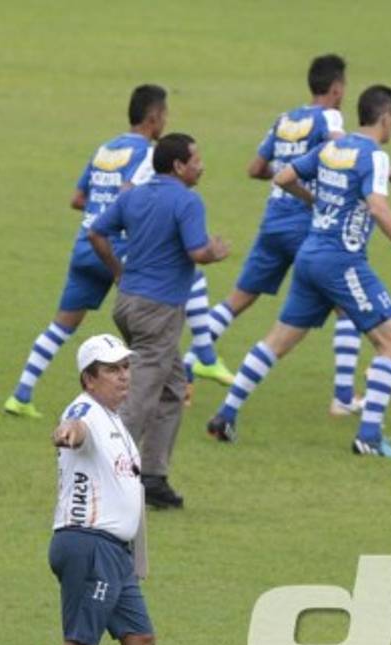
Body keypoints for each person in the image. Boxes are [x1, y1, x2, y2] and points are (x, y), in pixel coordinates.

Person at [206, 85, 391, 458]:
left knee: (276, 341)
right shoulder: (373, 156)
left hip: (310, 254)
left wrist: (317, 202)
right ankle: (369, 436)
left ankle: (226, 414)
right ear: (387, 117)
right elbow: (377, 207)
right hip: (342, 260)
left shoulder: (330, 149)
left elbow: (282, 178)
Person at [182, 54, 373, 416]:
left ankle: (188, 363)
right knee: (347, 307)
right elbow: (343, 149)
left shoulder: (285, 119)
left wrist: (287, 169)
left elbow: (256, 168)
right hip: (307, 224)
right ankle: (344, 397)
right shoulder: (329, 116)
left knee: (238, 300)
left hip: (273, 220)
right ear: (336, 88)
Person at [49, 333, 177, 645]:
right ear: (89, 378)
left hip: (115, 551)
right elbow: (75, 429)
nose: (124, 376)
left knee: (140, 642)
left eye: (126, 366)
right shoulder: (85, 411)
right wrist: (67, 433)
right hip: (88, 543)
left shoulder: (115, 420)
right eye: (111, 369)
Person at [3, 85, 168, 419]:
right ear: (154, 117)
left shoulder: (105, 149)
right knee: (154, 321)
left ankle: (21, 394)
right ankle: (181, 377)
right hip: (118, 252)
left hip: (85, 246)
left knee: (61, 326)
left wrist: (100, 209)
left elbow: (78, 199)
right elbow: (129, 197)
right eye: (165, 114)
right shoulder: (149, 155)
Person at [88, 134, 230, 508]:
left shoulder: (134, 195)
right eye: (196, 160)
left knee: (172, 388)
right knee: (138, 396)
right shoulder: (187, 200)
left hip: (128, 303)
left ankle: (152, 477)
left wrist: (118, 271)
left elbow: (96, 232)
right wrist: (215, 252)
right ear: (179, 167)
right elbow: (196, 250)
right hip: (159, 311)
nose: (201, 165)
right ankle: (107, 480)